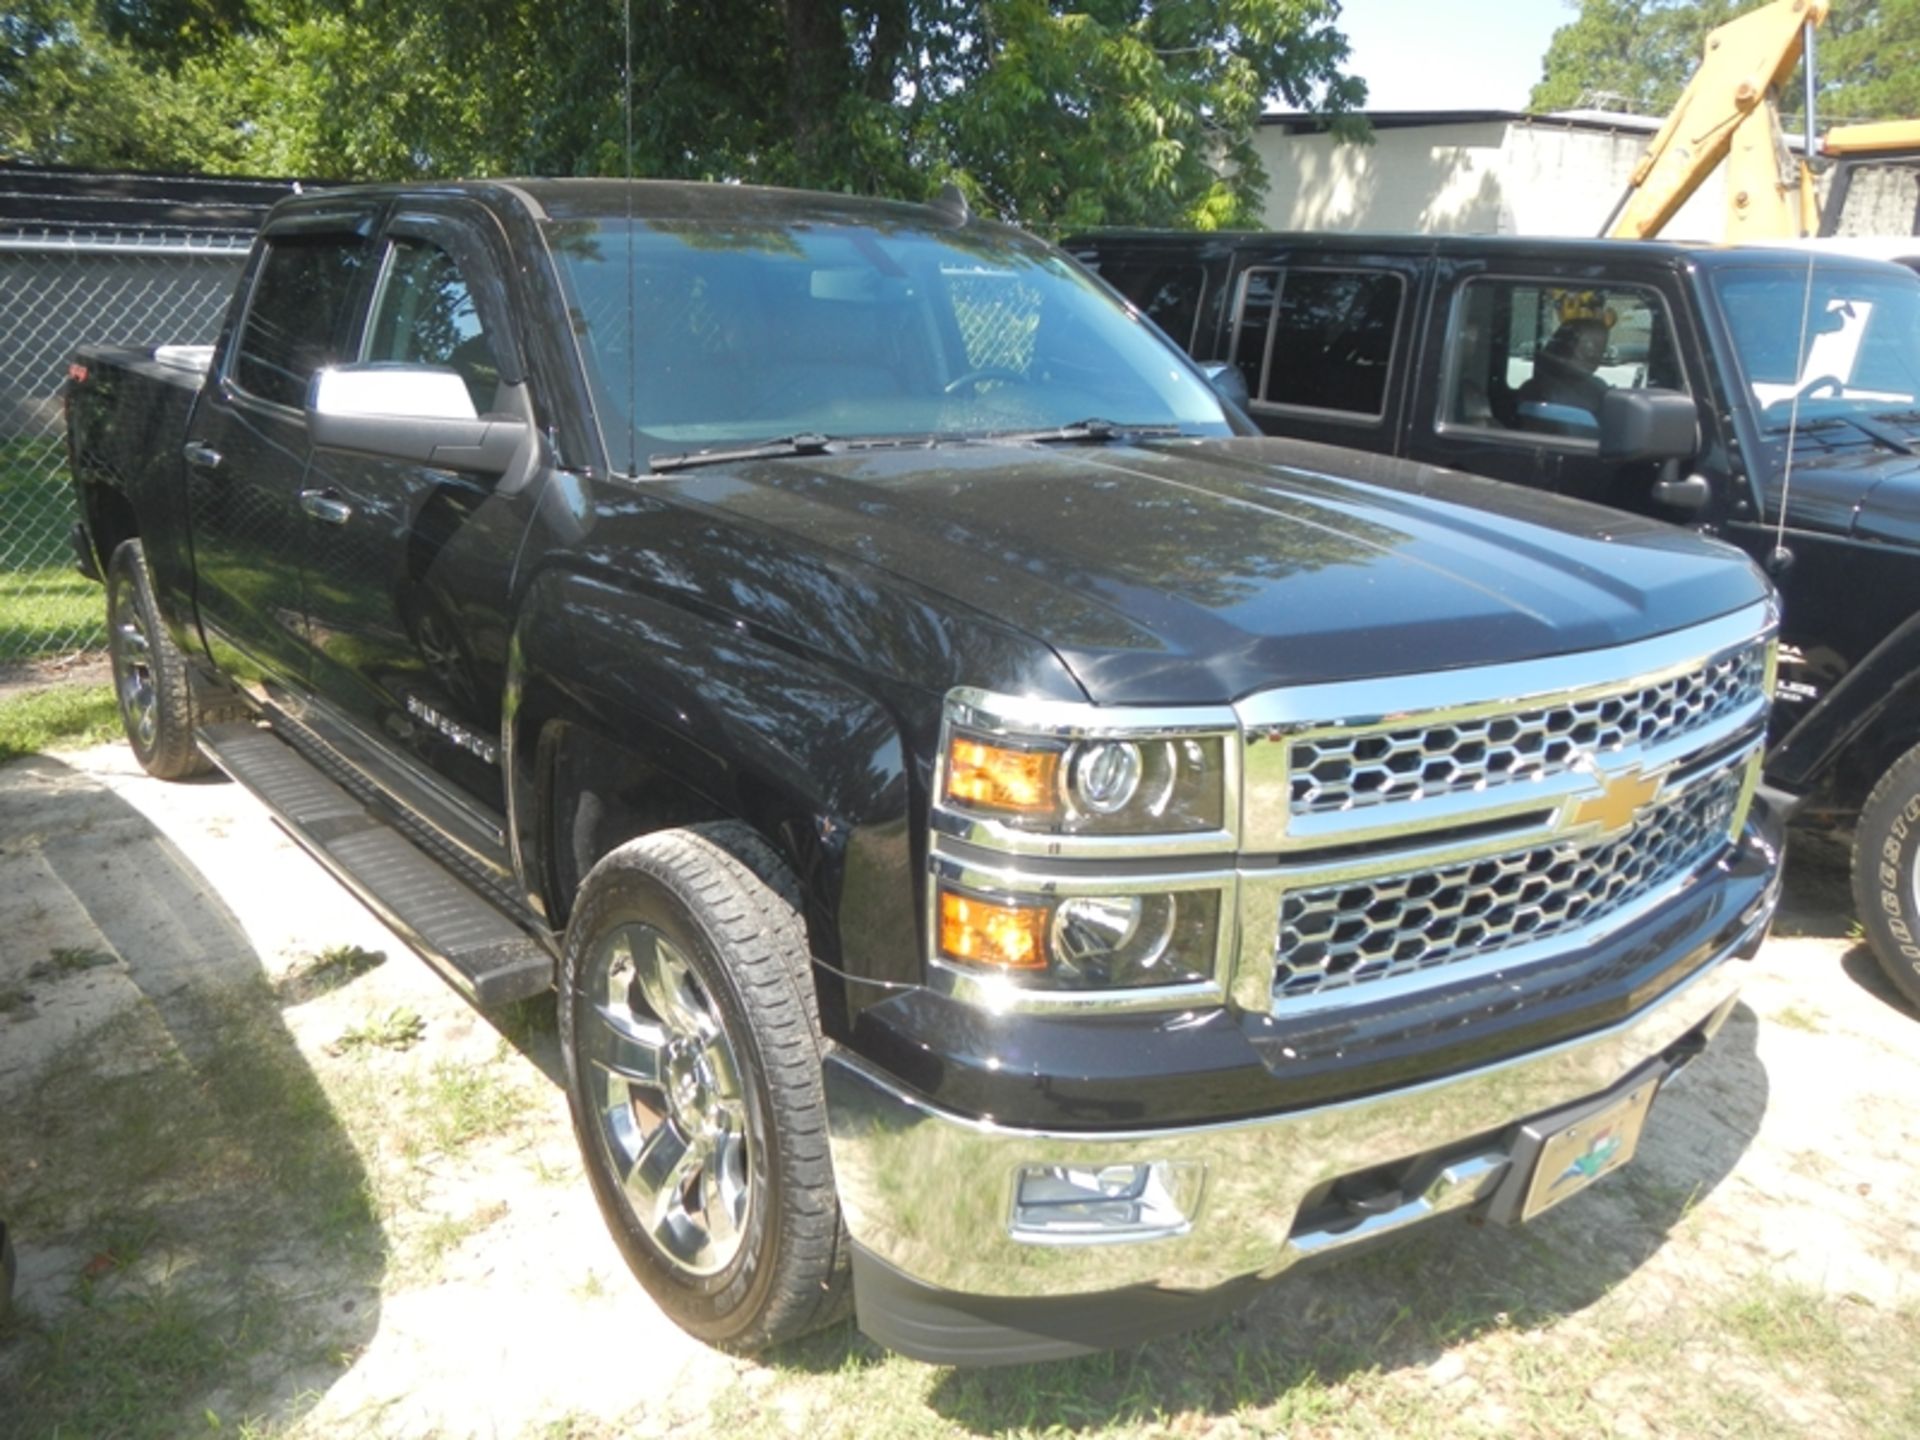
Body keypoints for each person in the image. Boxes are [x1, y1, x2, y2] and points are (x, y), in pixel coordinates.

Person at [1518, 317, 1610, 422]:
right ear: (1567, 347)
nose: (1596, 355)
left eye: (1602, 348)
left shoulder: (1598, 387)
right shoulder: (1536, 391)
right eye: (1590, 347)